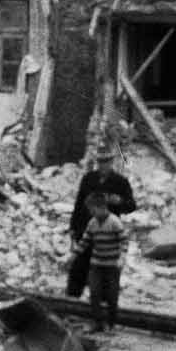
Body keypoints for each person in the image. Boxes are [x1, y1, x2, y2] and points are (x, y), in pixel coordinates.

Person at [67, 143, 136, 297]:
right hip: (85, 229)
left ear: (112, 162)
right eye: (100, 162)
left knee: (104, 272)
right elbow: (79, 204)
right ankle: (72, 301)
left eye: (106, 162)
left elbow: (131, 205)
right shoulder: (89, 179)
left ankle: (102, 305)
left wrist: (119, 202)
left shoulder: (120, 182)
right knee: (79, 268)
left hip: (107, 234)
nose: (103, 165)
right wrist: (73, 228)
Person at [75, 191, 127, 333]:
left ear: (101, 207)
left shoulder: (114, 222)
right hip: (96, 264)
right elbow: (85, 241)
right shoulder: (92, 223)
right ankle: (97, 322)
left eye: (92, 210)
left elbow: (124, 242)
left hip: (111, 265)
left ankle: (111, 323)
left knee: (112, 294)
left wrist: (122, 258)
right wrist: (73, 255)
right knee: (95, 293)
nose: (91, 213)